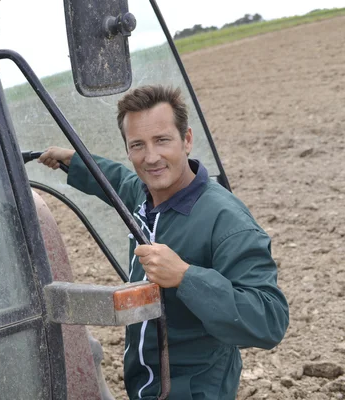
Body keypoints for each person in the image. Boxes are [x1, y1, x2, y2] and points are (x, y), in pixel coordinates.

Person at [38, 85, 289, 399]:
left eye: (162, 140)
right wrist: (73, 161)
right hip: (148, 385)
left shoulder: (227, 221)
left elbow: (270, 320)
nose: (151, 157)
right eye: (138, 145)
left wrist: (186, 276)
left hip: (193, 390)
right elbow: (118, 180)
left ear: (186, 140)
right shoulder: (147, 197)